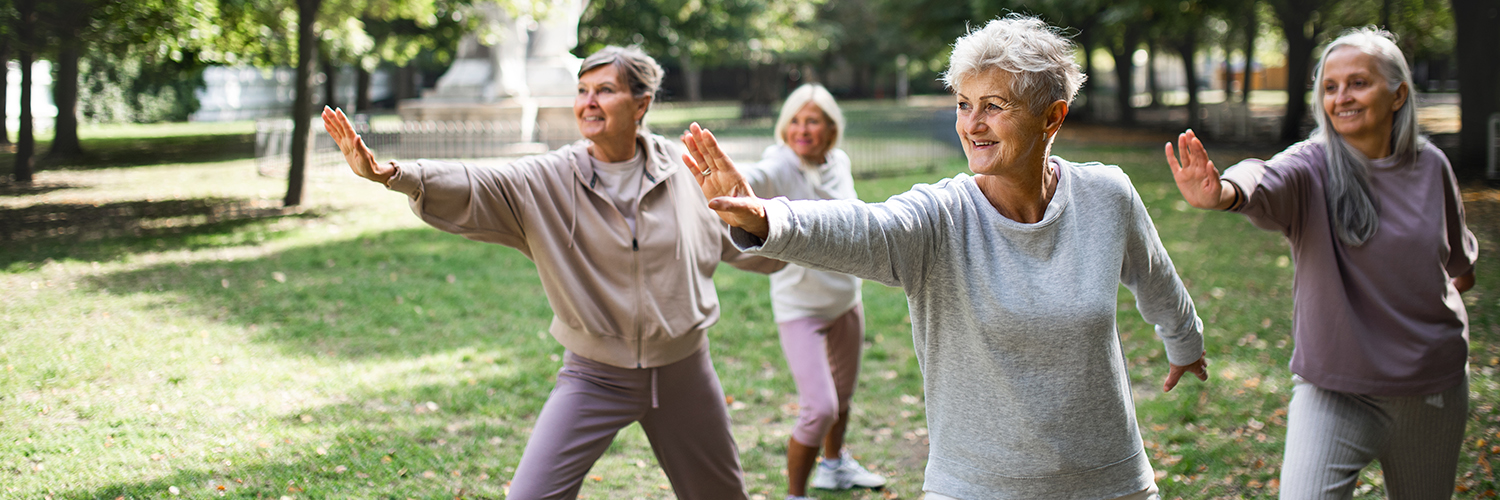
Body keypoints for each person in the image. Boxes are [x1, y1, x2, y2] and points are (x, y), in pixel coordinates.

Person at [682, 15, 1209, 500]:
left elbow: (1155, 275)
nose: (971, 124)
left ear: (1053, 117)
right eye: (963, 103)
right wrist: (766, 219)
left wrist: (1184, 340)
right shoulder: (941, 216)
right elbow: (865, 228)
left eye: (994, 106)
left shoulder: (1106, 195)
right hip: (976, 486)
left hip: (1109, 481)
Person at [322, 45, 783, 500]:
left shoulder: (685, 171)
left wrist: (774, 230)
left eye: (605, 90)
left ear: (641, 104)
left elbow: (747, 241)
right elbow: (478, 181)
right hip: (595, 375)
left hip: (685, 369)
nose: (588, 102)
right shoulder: (549, 177)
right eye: (582, 90)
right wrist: (393, 174)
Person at [1165, 27, 1477, 499]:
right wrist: (1225, 193)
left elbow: (1460, 269)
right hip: (1334, 390)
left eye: (1358, 83)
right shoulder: (1312, 166)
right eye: (1330, 87)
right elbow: (1263, 175)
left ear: (1398, 95)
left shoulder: (1431, 165)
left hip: (1430, 389)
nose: (1342, 97)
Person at [738, 83, 885, 499]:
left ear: (831, 129)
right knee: (819, 408)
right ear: (784, 128)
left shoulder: (839, 162)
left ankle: (834, 466)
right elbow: (755, 176)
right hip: (800, 307)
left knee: (842, 398)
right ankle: (795, 494)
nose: (802, 130)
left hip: (845, 300)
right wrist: (734, 183)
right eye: (795, 121)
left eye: (813, 121)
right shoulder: (780, 164)